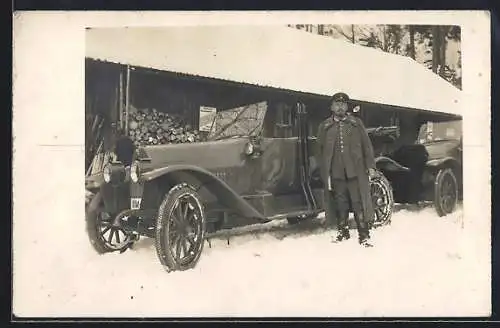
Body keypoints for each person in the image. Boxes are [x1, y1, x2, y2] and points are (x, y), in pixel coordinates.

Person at [317, 92, 377, 247]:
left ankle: (364, 235)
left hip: (355, 172)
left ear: (347, 107)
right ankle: (342, 232)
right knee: (340, 203)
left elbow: (367, 146)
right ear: (331, 107)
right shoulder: (324, 127)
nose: (340, 107)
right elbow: (319, 150)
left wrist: (370, 166)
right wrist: (323, 171)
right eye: (337, 104)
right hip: (336, 173)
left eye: (343, 105)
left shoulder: (356, 124)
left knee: (358, 204)